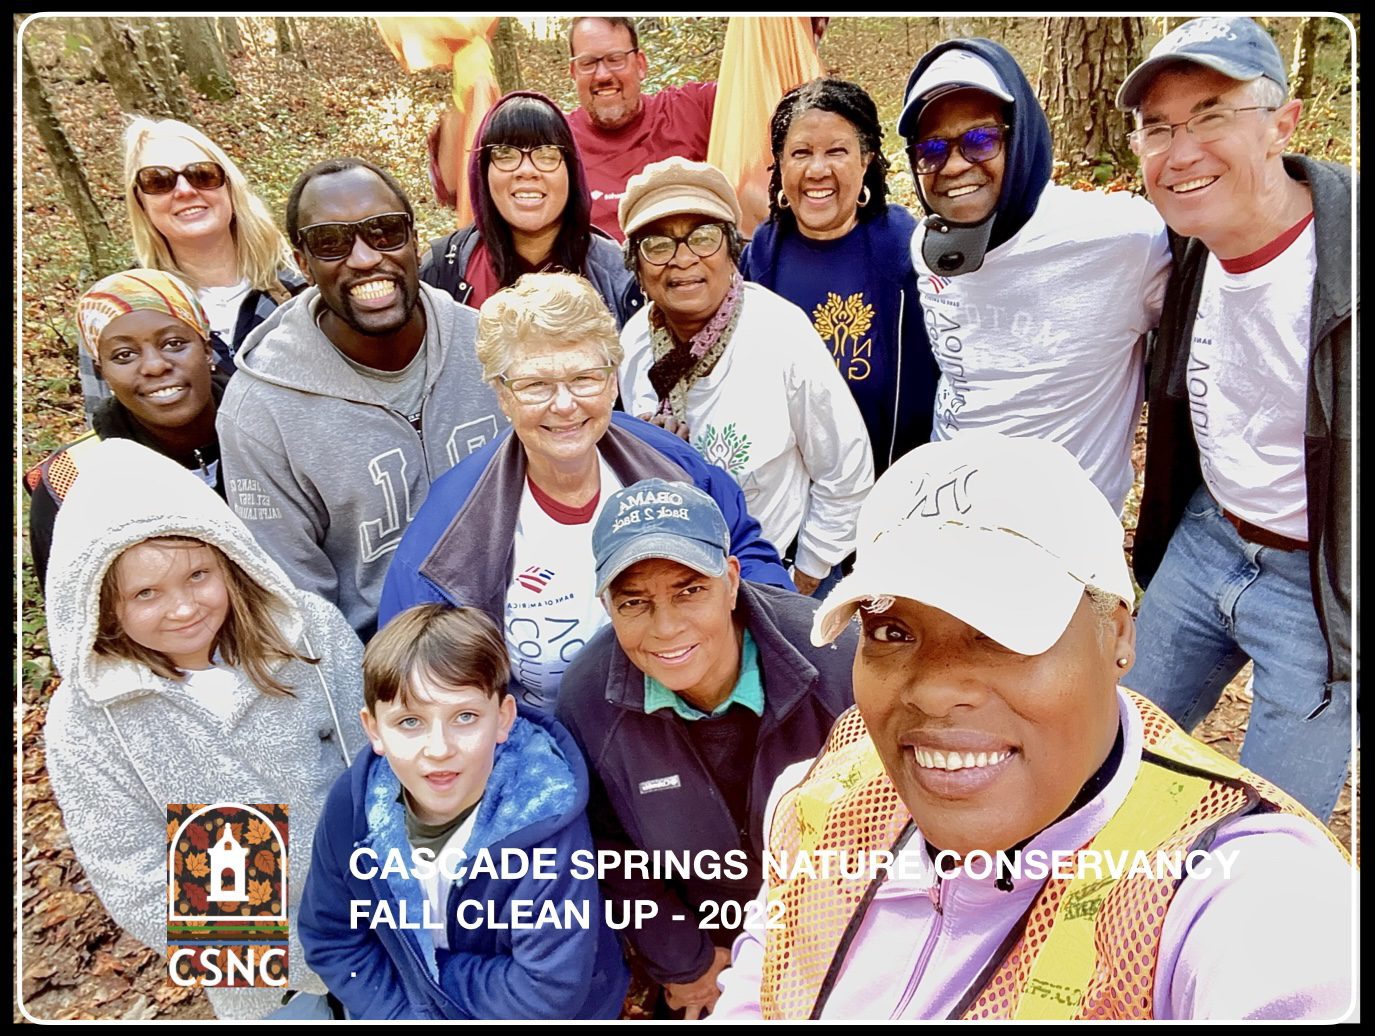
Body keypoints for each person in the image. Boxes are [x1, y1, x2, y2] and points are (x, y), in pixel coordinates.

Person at [712, 432, 1352, 1020]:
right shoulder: (831, 787)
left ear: (1119, 635)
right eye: (892, 631)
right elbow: (766, 972)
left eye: (1000, 631)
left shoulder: (1233, 887)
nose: (933, 690)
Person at [1116, 17, 1355, 822]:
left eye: (1212, 114)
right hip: (1208, 540)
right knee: (1110, 754)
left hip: (1318, 591)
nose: (1179, 153)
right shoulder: (1186, 243)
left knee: (1270, 838)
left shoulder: (1346, 261)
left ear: (1281, 124)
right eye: (1157, 128)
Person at [42, 438, 367, 1019]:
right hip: (263, 982)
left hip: (377, 925)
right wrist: (292, 960)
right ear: (100, 605)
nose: (184, 608)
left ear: (230, 560)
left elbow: (380, 757)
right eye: (145, 593)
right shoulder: (87, 723)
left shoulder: (307, 633)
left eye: (198, 575)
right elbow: (132, 871)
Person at [379, 271, 791, 713]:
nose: (564, 404)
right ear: (502, 395)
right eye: (535, 385)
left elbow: (748, 558)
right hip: (551, 748)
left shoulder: (671, 464)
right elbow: (414, 678)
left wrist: (757, 665)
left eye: (585, 377)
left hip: (693, 719)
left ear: (613, 381)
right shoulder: (449, 530)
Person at [556, 478, 856, 1019]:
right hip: (705, 956)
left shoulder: (839, 660)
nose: (666, 628)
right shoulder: (587, 700)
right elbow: (604, 849)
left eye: (690, 590)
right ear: (607, 605)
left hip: (839, 938)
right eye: (634, 602)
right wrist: (685, 963)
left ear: (733, 580)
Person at [216, 157, 503, 641]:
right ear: (303, 263)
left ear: (414, 240)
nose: (366, 257)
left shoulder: (490, 347)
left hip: (532, 630)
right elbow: (300, 607)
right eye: (332, 241)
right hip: (387, 671)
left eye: (385, 231)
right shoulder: (260, 413)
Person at [299, 603, 628, 1019]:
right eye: (409, 722)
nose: (439, 749)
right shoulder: (354, 804)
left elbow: (545, 990)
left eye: (465, 716)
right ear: (374, 729)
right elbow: (331, 936)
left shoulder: (546, 817)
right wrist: (402, 1016)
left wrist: (424, 979)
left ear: (503, 718)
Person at [898, 39, 1170, 513]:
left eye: (981, 139)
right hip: (943, 516)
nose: (956, 165)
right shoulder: (928, 247)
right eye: (933, 149)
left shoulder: (1124, 240)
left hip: (1061, 538)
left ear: (1020, 135)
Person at [618, 157, 875, 598]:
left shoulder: (779, 333)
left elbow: (846, 470)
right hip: (681, 586)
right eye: (658, 245)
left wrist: (801, 579)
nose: (682, 260)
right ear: (637, 266)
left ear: (732, 250)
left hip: (777, 574)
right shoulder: (635, 342)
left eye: (703, 238)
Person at [743, 78, 938, 475]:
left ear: (866, 160)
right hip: (792, 508)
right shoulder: (760, 259)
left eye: (837, 151)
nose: (817, 169)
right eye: (800, 153)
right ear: (780, 163)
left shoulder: (908, 253)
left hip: (896, 493)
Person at [81, 118, 305, 423]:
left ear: (229, 186)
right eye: (158, 181)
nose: (184, 190)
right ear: (140, 201)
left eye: (202, 175)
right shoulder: (118, 313)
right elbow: (110, 434)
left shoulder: (303, 284)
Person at [26, 270, 228, 587]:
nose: (154, 366)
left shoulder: (274, 436)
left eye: (174, 344)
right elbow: (74, 620)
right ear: (101, 371)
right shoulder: (71, 480)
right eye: (124, 355)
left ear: (206, 349)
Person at [420, 91, 641, 325]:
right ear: (482, 173)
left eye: (547, 154)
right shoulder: (443, 272)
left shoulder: (618, 272)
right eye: (505, 154)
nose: (526, 170)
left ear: (572, 171)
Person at [565, 17, 717, 240]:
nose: (603, 75)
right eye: (587, 63)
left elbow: (768, 85)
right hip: (594, 273)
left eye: (615, 59)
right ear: (573, 72)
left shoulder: (693, 109)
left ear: (640, 64)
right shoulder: (556, 139)